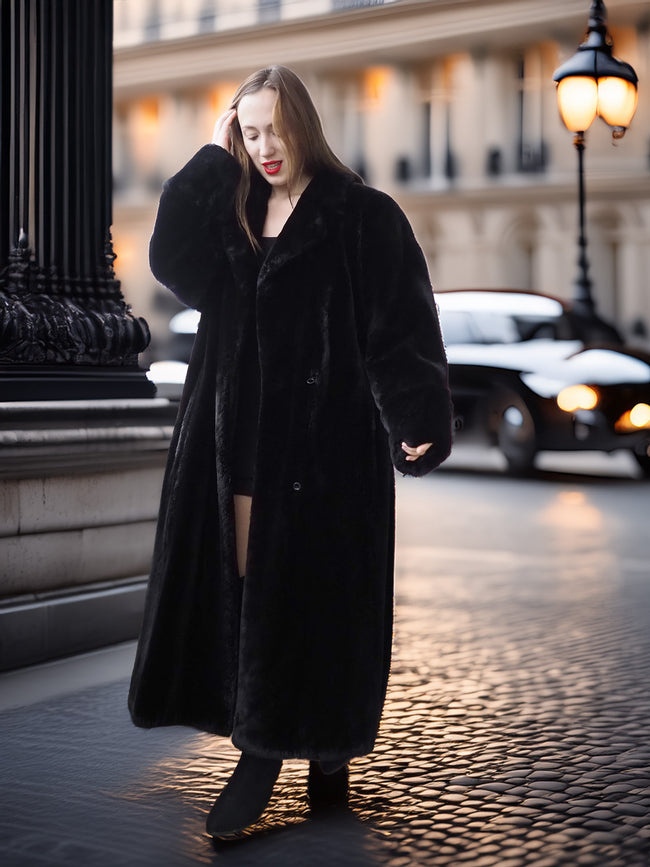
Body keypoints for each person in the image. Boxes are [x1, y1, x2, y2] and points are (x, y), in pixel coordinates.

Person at [128, 65, 452, 839]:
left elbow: (399, 325)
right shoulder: (232, 210)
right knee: (252, 587)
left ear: (302, 123)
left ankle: (284, 751)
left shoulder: (362, 216)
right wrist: (212, 158)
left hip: (325, 454)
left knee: (317, 596)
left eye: (275, 128)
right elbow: (169, 259)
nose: (264, 146)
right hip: (234, 440)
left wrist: (415, 414)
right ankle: (283, 739)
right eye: (248, 131)